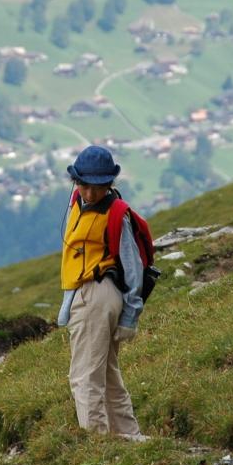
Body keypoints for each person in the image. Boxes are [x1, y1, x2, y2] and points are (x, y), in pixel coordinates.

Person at [57, 144, 145, 438]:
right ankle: (128, 437)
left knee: (85, 377)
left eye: (98, 187)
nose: (90, 193)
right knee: (106, 375)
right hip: (86, 294)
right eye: (84, 185)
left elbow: (133, 267)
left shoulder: (116, 214)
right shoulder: (76, 202)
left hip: (96, 295)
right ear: (76, 181)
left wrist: (130, 315)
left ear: (109, 183)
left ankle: (97, 444)